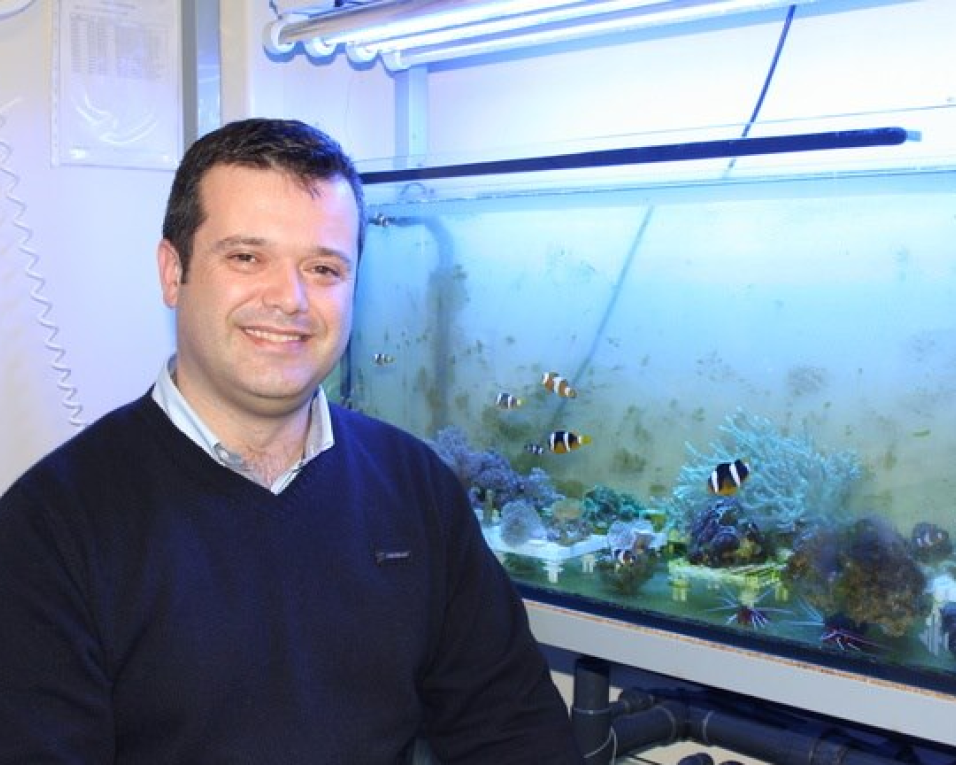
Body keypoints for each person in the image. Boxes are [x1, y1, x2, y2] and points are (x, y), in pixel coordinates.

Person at [0, 118, 584, 764]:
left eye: (325, 266)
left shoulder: (416, 488)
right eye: (247, 257)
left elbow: (515, 733)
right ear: (173, 271)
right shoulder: (49, 530)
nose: (291, 298)